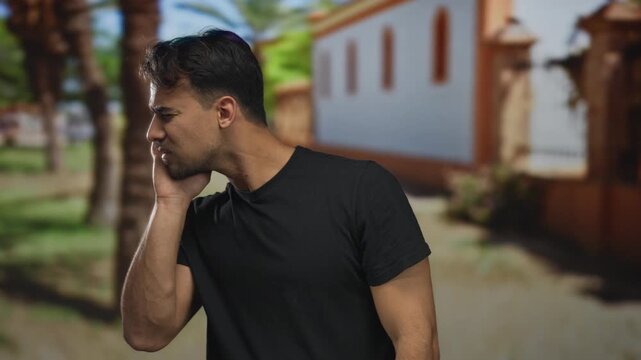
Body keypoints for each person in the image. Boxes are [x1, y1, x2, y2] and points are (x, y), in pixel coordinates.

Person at [120, 28, 439, 360]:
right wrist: (169, 203)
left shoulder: (361, 190)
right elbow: (145, 333)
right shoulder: (200, 221)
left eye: (166, 115)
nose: (152, 133)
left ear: (224, 112)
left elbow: (417, 340)